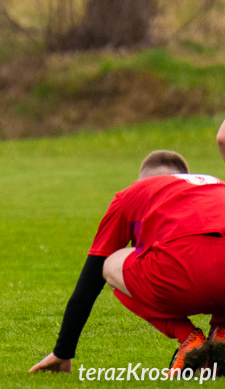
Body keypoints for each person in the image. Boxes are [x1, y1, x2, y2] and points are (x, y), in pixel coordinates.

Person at [29, 150, 225, 377]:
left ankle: (190, 339)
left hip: (181, 273)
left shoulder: (134, 193)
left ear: (140, 181)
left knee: (111, 263)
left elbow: (90, 281)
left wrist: (63, 352)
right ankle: (221, 336)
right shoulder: (217, 185)